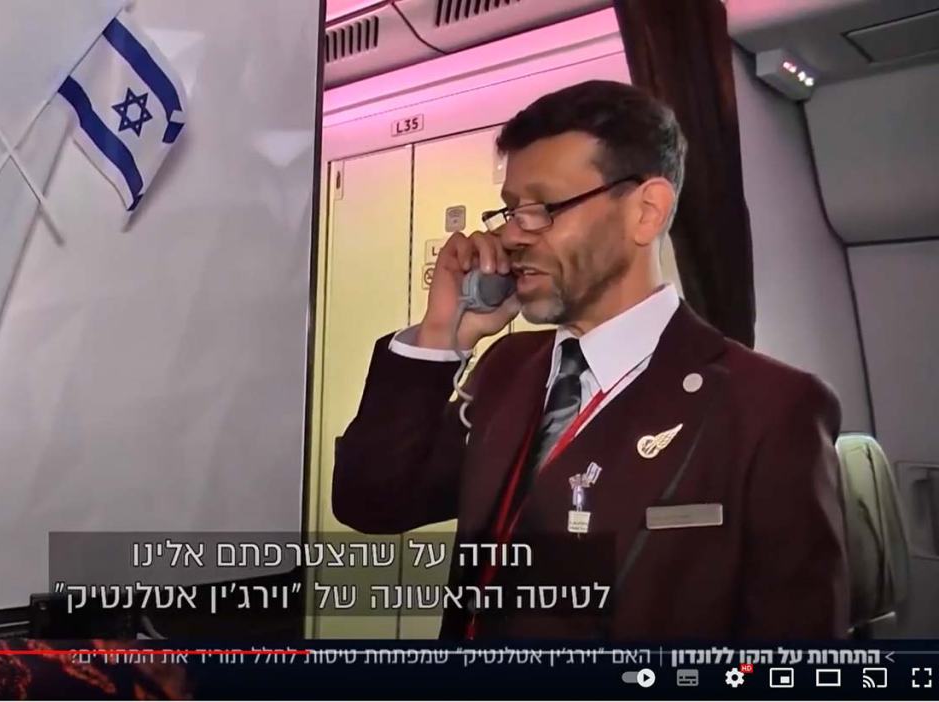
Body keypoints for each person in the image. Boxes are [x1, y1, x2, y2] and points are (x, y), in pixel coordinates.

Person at [332, 80, 849, 640]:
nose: (509, 235)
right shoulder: (507, 366)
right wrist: (441, 335)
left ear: (646, 212)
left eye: (540, 210)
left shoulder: (770, 409)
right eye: (509, 211)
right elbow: (373, 502)